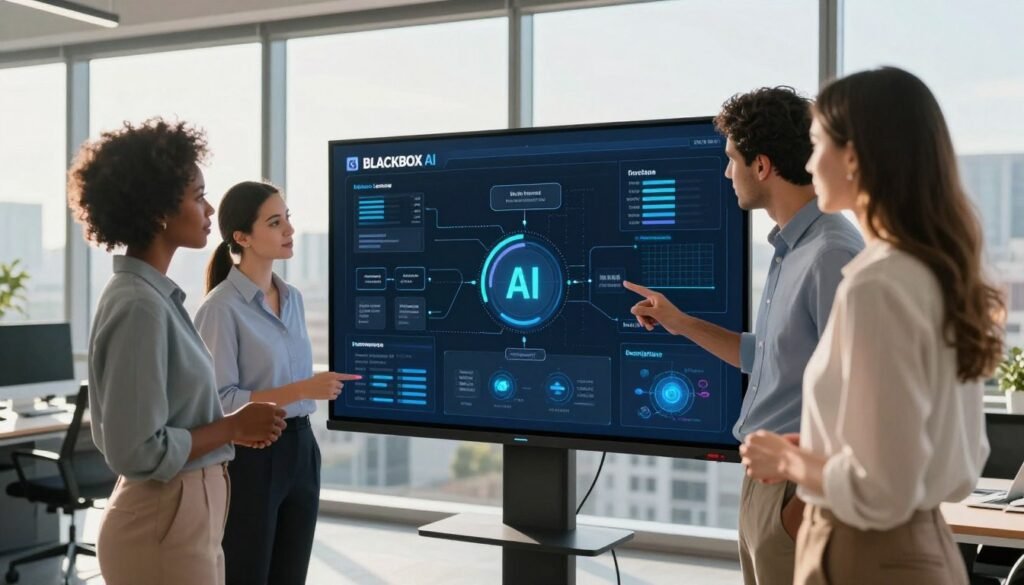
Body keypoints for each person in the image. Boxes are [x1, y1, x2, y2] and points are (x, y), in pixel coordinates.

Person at [741, 67, 1004, 585]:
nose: (811, 163)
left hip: (865, 554)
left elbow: (882, 488)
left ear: (854, 157)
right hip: (923, 547)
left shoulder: (875, 284)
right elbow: (960, 465)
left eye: (818, 145)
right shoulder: (935, 273)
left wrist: (789, 465)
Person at [622, 87, 863, 585]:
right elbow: (767, 358)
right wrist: (679, 321)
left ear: (762, 166)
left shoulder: (831, 254)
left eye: (732, 158)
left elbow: (861, 396)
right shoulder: (789, 250)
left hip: (796, 496)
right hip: (763, 488)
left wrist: (799, 507)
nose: (726, 172)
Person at [68, 119, 286, 585]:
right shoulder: (138, 306)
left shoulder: (154, 298)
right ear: (157, 211)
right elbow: (138, 448)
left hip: (185, 520)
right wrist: (233, 426)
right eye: (197, 196)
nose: (210, 209)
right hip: (161, 524)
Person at [195, 180, 360, 585]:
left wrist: (309, 390)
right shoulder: (220, 309)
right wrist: (304, 389)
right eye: (274, 222)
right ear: (242, 237)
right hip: (251, 457)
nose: (288, 230)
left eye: (287, 218)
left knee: (291, 575)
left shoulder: (295, 299)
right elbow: (221, 401)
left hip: (302, 449)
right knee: (247, 573)